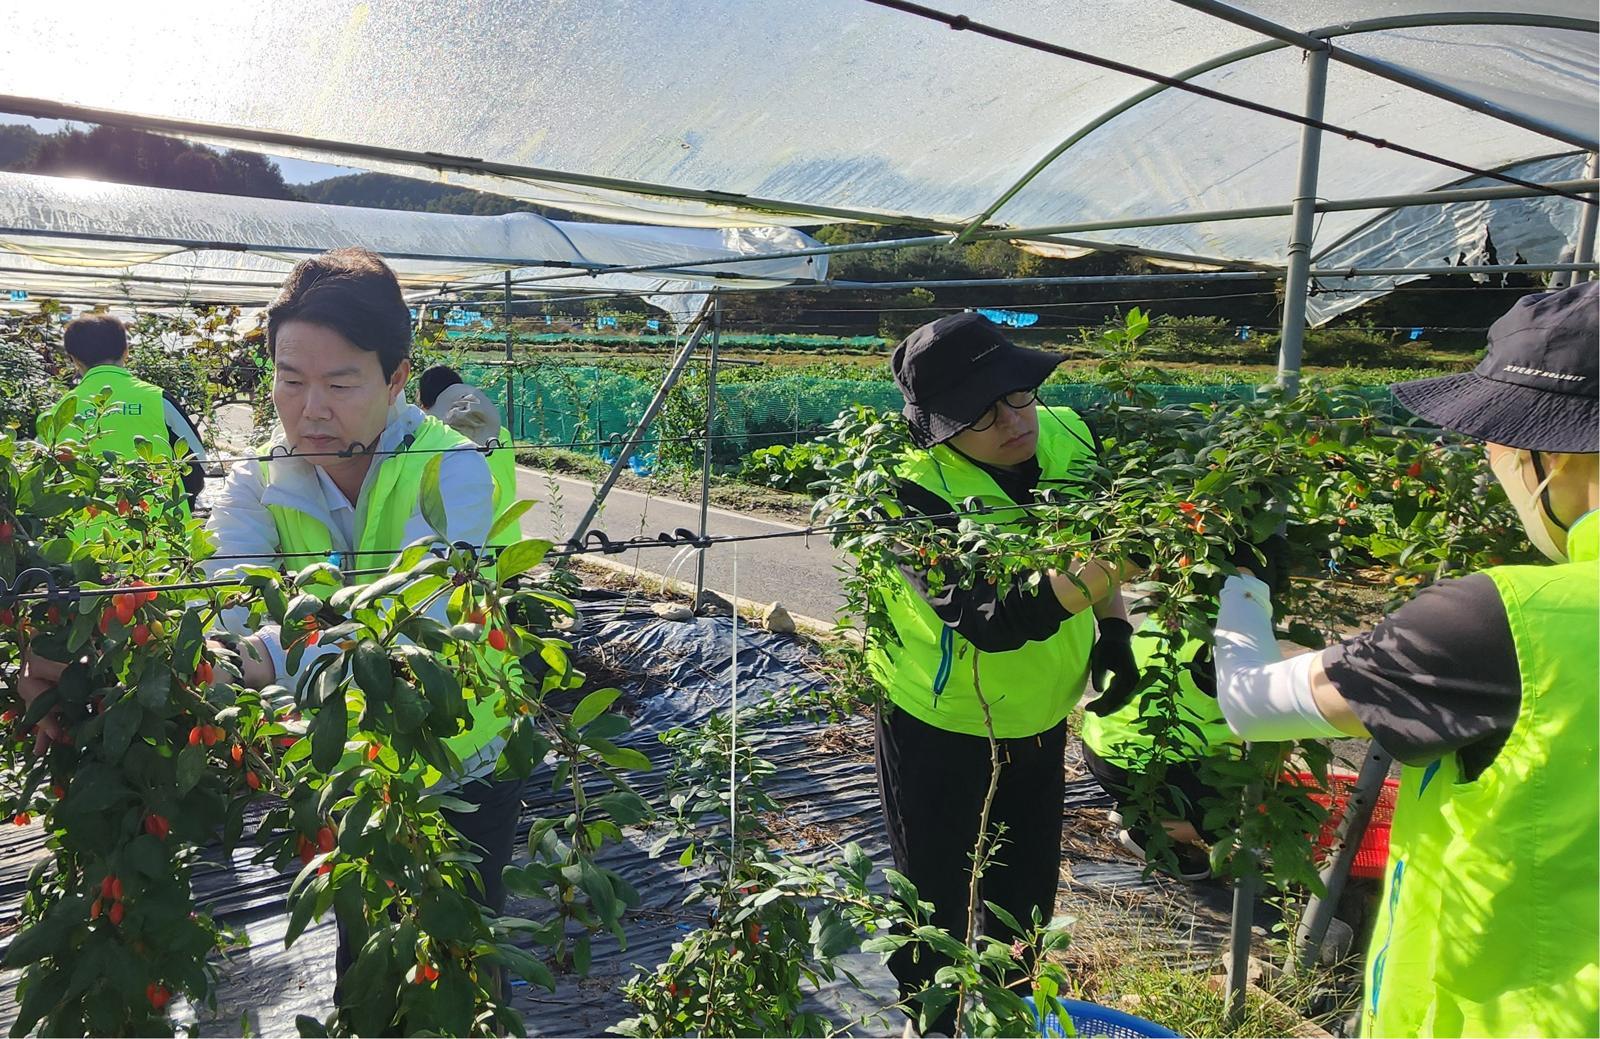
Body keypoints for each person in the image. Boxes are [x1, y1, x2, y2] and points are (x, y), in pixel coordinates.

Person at [1212, 282, 1598, 1038]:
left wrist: (1240, 585)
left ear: (1545, 453)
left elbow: (1249, 698)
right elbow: (1372, 676)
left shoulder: (1506, 617)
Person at [200, 249, 523, 981]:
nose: (310, 408)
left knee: (460, 955)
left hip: (461, 756)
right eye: (289, 379)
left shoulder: (451, 467)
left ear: (397, 377)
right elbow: (223, 599)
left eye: (340, 382)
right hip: (349, 770)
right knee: (366, 958)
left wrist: (260, 654)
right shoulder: (260, 476)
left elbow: (415, 634)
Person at [871, 313, 1141, 1031]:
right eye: (983, 412)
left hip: (1040, 718)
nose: (1014, 420)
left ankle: (1006, 1018)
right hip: (941, 724)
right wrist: (1115, 567)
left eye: (1018, 394)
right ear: (940, 427)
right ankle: (927, 1020)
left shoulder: (1070, 435)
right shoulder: (907, 490)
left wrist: (1114, 626)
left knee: (1022, 901)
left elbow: (1102, 536)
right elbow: (990, 617)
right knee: (935, 897)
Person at [1078, 628, 1237, 881]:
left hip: (1104, 748)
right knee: (1254, 800)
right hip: (1144, 765)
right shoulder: (1231, 639)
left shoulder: (1175, 610)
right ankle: (1151, 832)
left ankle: (1138, 806)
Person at [53, 313, 208, 510]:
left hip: (81, 535)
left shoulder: (59, 410)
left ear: (73, 359)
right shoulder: (158, 400)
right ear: (126, 351)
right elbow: (198, 462)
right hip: (158, 532)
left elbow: (44, 476)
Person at [417, 364, 517, 515]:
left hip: (462, 535)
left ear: (424, 404)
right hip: (508, 535)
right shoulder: (503, 434)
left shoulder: (430, 438)